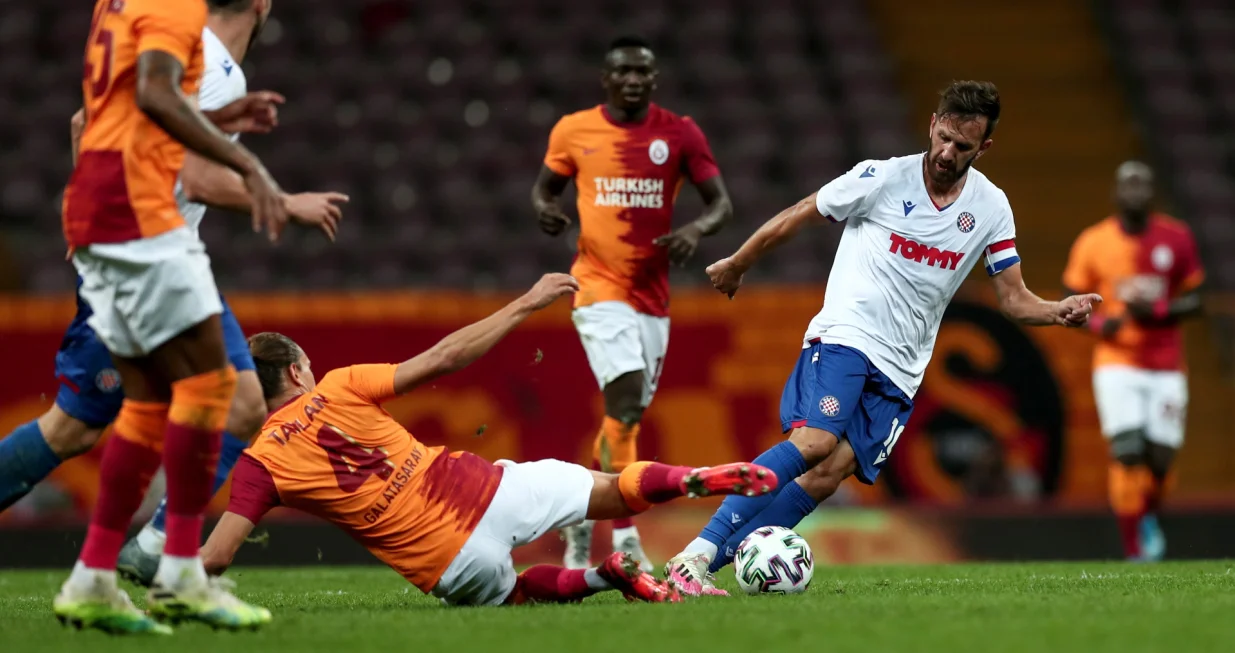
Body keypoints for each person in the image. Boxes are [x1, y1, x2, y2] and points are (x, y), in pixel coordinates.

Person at [662, 80, 1102, 596]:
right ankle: (697, 552)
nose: (946, 152)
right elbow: (801, 213)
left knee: (827, 478)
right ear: (933, 122)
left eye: (962, 147)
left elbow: (1013, 297)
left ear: (983, 149)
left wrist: (1057, 311)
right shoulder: (881, 177)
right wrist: (738, 264)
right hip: (847, 336)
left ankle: (699, 572)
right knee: (813, 444)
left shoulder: (991, 207)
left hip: (903, 368)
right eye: (943, 136)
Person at [0, 0, 346, 582]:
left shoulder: (171, 40)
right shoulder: (206, 57)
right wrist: (278, 197)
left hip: (126, 248)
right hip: (150, 251)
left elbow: (82, 125)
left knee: (78, 425)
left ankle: (133, 561)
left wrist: (90, 209)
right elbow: (187, 171)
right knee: (239, 402)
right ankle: (162, 552)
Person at [194, 274, 778, 607]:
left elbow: (217, 557)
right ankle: (689, 479)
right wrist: (525, 303)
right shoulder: (342, 386)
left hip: (449, 562)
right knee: (613, 491)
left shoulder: (258, 465)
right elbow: (445, 358)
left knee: (516, 598)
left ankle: (607, 576)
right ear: (297, 374)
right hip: (485, 489)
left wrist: (166, 585)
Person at [52, 0, 289, 634]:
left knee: (153, 405)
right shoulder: (176, 10)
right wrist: (251, 166)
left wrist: (219, 117)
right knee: (221, 392)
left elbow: (114, 113)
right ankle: (179, 572)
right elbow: (157, 98)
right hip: (145, 220)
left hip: (103, 214)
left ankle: (95, 578)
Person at [531, 35, 732, 572]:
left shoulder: (679, 133)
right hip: (596, 287)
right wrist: (546, 210)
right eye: (623, 71)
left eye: (643, 71)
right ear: (607, 78)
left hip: (653, 297)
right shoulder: (574, 131)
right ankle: (624, 536)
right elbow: (544, 190)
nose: (634, 79)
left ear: (654, 78)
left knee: (626, 418)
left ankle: (580, 511)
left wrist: (695, 228)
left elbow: (721, 204)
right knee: (622, 406)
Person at [1062, 161, 1204, 561]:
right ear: (1117, 193)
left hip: (1166, 364)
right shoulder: (1094, 242)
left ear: (1153, 192)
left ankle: (1148, 516)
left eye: (1143, 184)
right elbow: (1069, 296)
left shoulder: (1176, 238)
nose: (1136, 191)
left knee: (1160, 457)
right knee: (1126, 451)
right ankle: (1135, 550)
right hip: (1116, 362)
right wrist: (1100, 324)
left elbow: (1196, 298)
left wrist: (1158, 311)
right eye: (1129, 184)